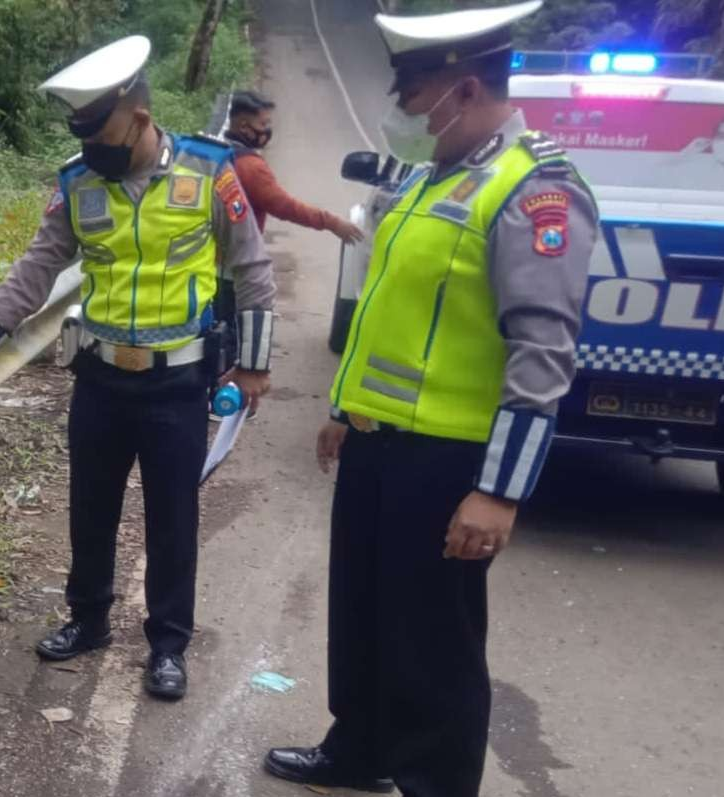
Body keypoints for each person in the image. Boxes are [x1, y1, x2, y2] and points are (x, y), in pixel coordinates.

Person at [261, 1, 599, 795]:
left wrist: (499, 489)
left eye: (410, 97)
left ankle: (433, 781)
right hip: (381, 445)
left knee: (435, 644)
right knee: (366, 615)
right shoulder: (433, 178)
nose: (401, 113)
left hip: (448, 460)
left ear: (465, 89)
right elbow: (389, 310)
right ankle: (361, 750)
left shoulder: (533, 191)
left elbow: (543, 351)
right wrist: (346, 410)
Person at [0, 35, 276, 701]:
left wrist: (253, 367)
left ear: (139, 118)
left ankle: (169, 643)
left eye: (101, 130)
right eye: (81, 132)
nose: (92, 145)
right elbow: (33, 272)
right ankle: (88, 619)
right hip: (101, 379)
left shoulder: (209, 172)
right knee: (91, 509)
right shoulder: (79, 181)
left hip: (179, 381)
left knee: (173, 518)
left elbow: (254, 271)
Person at [225, 90, 365, 245]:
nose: (266, 131)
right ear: (244, 127)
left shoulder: (219, 152)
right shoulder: (251, 167)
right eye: (263, 124)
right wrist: (332, 223)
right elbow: (285, 207)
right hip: (236, 256)